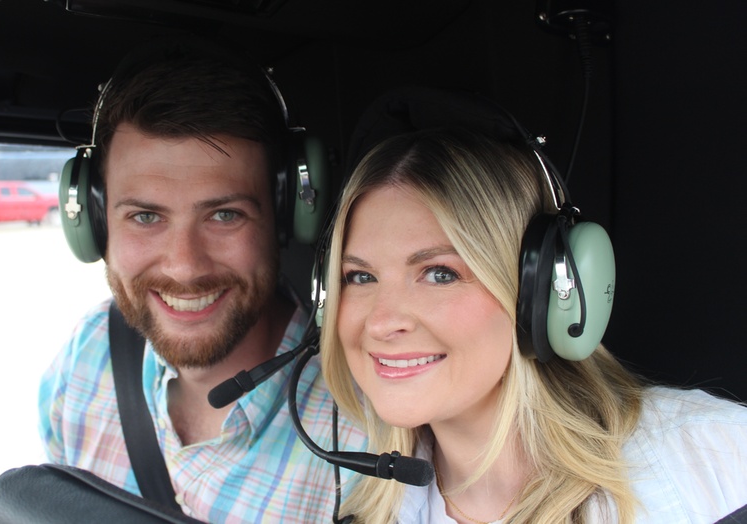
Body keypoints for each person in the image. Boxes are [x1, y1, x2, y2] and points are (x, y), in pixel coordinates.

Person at [319, 89, 747, 523]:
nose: (382, 321)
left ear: (540, 294)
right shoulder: (368, 512)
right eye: (360, 277)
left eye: (439, 273)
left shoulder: (715, 464)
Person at [38, 39, 365, 522]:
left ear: (284, 217)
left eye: (225, 214)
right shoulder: (88, 356)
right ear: (95, 221)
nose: (185, 267)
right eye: (146, 216)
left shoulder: (364, 429)